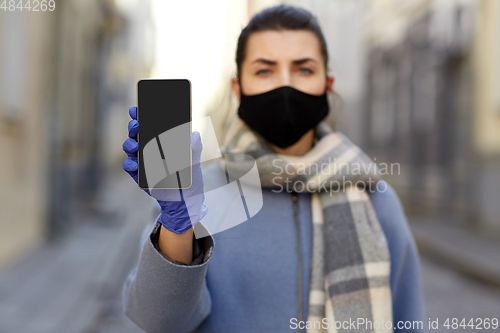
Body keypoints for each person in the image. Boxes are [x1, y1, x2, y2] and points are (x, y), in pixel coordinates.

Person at [122, 5, 426, 333]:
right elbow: (159, 322)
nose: (285, 86)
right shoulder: (197, 192)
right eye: (265, 71)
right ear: (238, 89)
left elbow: (409, 323)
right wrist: (178, 227)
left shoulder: (376, 200)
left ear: (327, 84)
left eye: (304, 70)